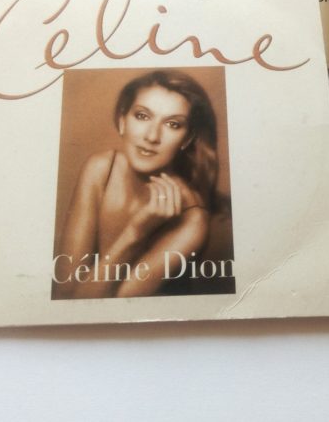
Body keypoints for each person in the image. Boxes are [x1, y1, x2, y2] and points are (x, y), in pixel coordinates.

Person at [53, 70, 221, 299]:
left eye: (173, 124)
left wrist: (136, 233)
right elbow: (64, 294)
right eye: (142, 116)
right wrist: (136, 230)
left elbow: (99, 307)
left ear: (187, 139)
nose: (152, 136)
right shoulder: (101, 169)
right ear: (122, 120)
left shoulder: (193, 221)